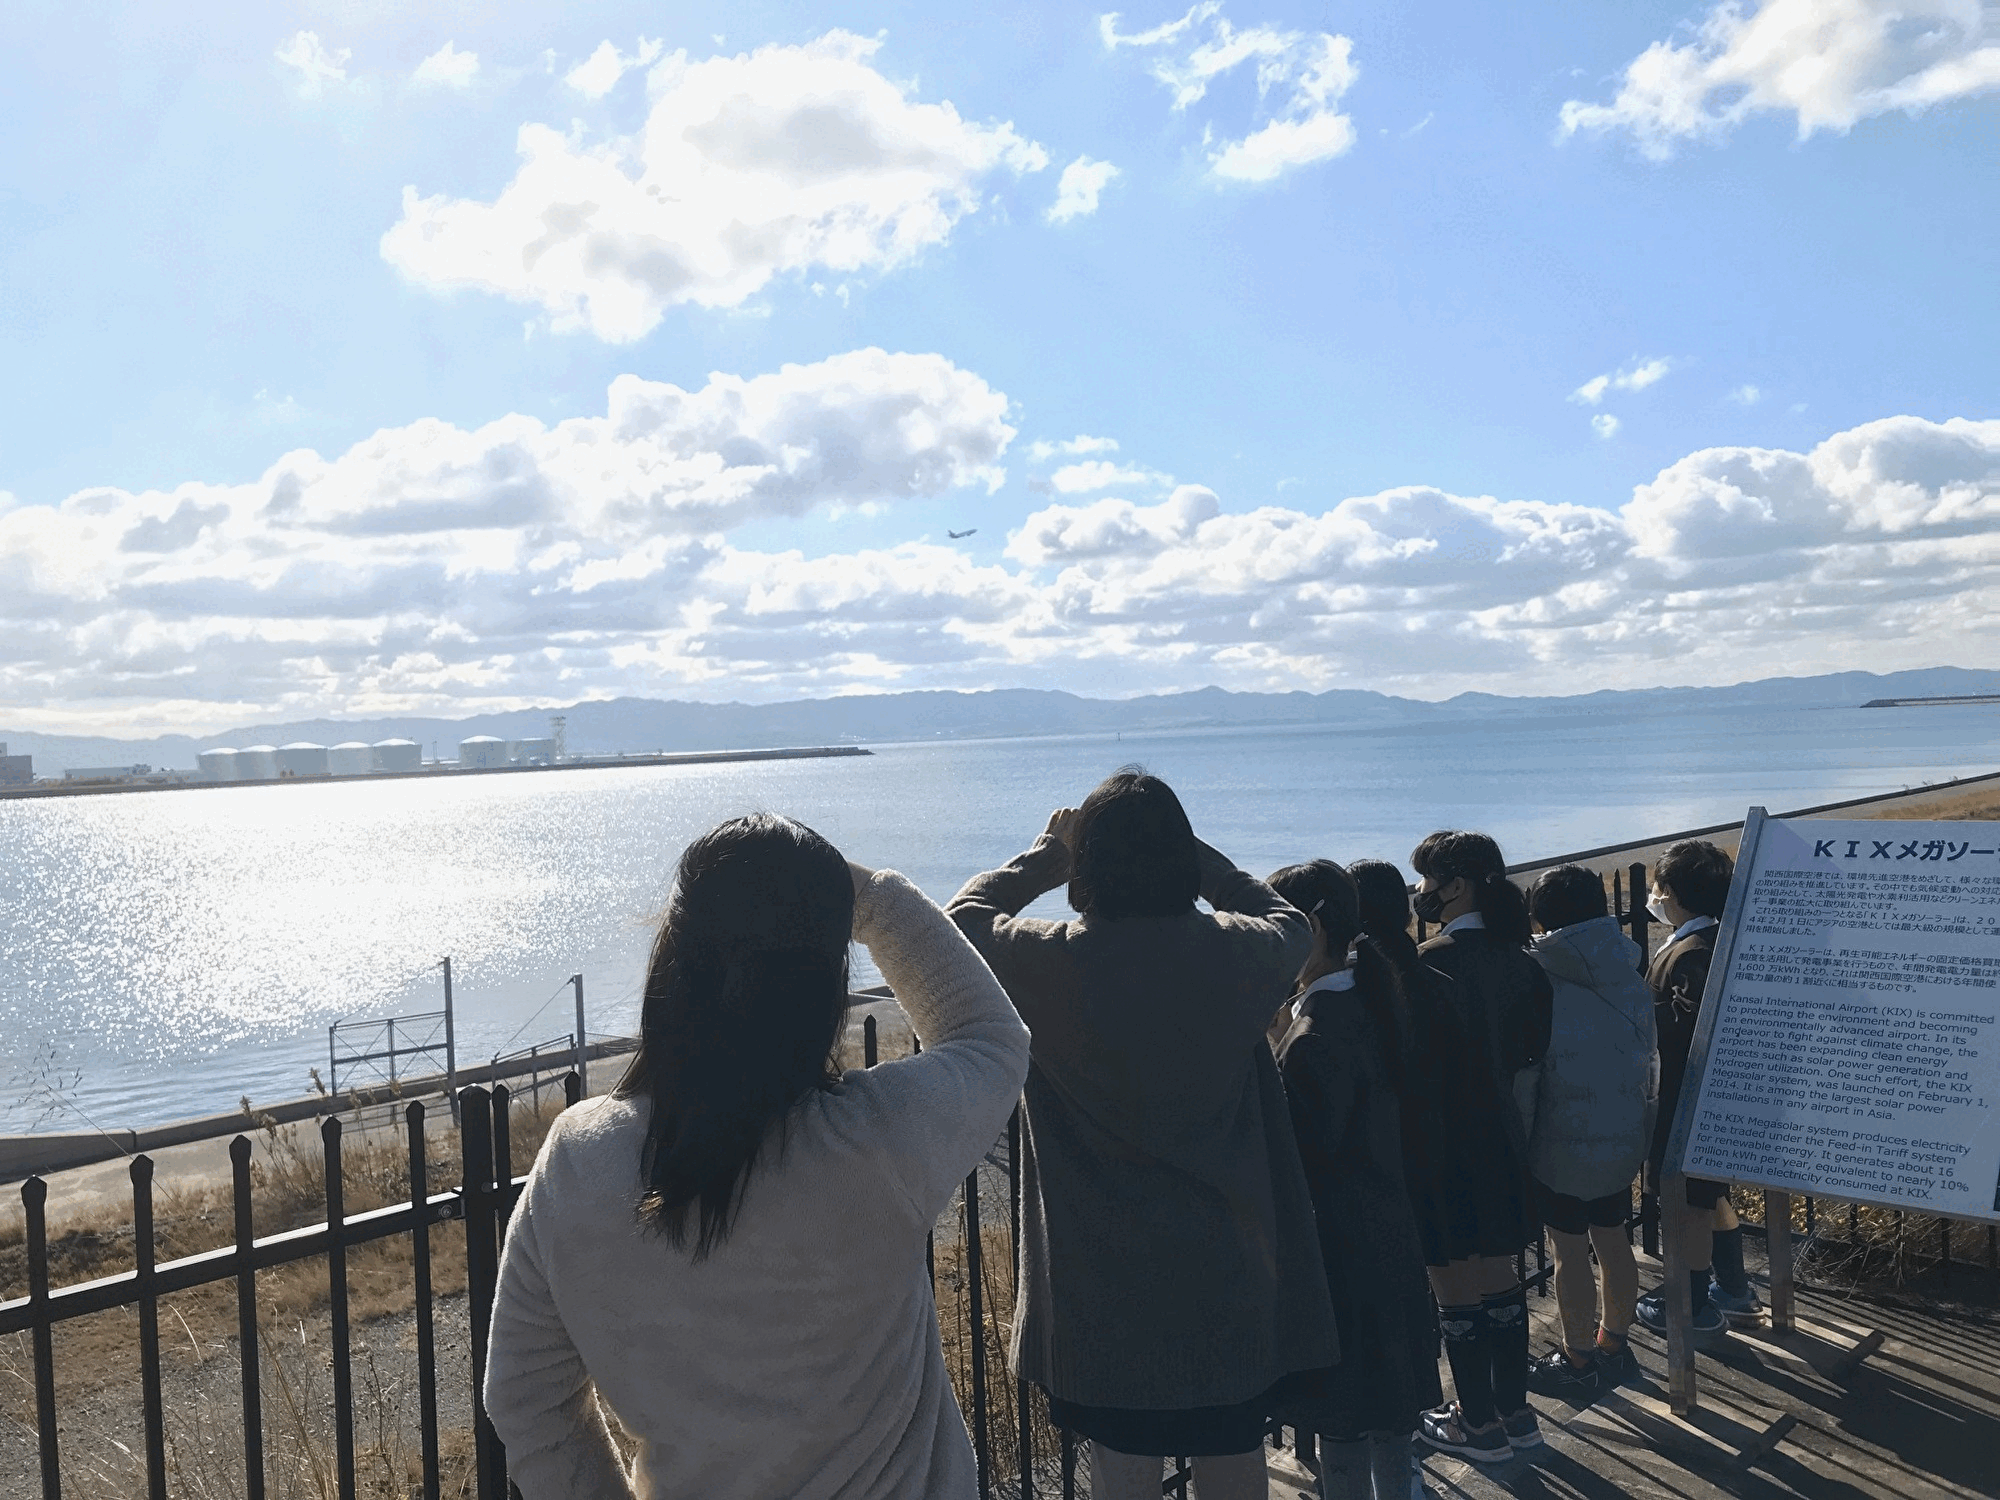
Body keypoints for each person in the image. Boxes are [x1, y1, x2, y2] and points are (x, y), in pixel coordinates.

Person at [483, 814, 1031, 1499]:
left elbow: (525, 1399)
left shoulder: (578, 1162)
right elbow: (990, 1040)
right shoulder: (876, 1144)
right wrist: (864, 896)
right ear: (819, 996)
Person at [948, 769, 1335, 1500]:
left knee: (1123, 1469)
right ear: (1183, 859)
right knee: (1233, 1458)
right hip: (1235, 1271)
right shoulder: (1238, 951)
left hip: (1102, 1289)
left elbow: (961, 918)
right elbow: (1287, 919)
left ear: (1086, 868)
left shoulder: (1048, 959)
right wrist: (1201, 860)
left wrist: (1044, 854)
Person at [1267, 860, 1442, 1500]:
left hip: (1339, 1264)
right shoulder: (1373, 1003)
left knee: (1342, 1439)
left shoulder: (1315, 1038)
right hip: (1390, 1247)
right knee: (1393, 1432)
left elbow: (1296, 1158)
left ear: (1310, 925)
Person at [1408, 831, 1554, 1464]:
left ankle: (1475, 1423)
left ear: (1455, 885)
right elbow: (1531, 1050)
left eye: (1428, 880)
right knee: (1501, 1278)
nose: (1421, 893)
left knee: (1453, 1286)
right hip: (1502, 1139)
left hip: (1441, 1146)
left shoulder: (1428, 962)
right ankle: (1516, 1414)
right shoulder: (1521, 961)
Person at [1520, 865, 1657, 1396]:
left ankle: (1576, 1357)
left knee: (1568, 1253)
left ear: (1540, 915)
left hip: (1559, 1141)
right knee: (1615, 1241)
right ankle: (1614, 1345)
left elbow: (1530, 1075)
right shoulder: (1625, 964)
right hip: (1621, 1133)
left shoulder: (1540, 973)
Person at [1634, 839, 1756, 1335]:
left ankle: (1692, 1307)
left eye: (1658, 886)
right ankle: (1732, 1287)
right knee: (1708, 1192)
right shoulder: (1718, 941)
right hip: (1716, 1098)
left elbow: (1680, 1036)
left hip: (1684, 1098)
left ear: (1674, 892)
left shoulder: (1691, 954)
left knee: (1686, 1201)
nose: (1653, 895)